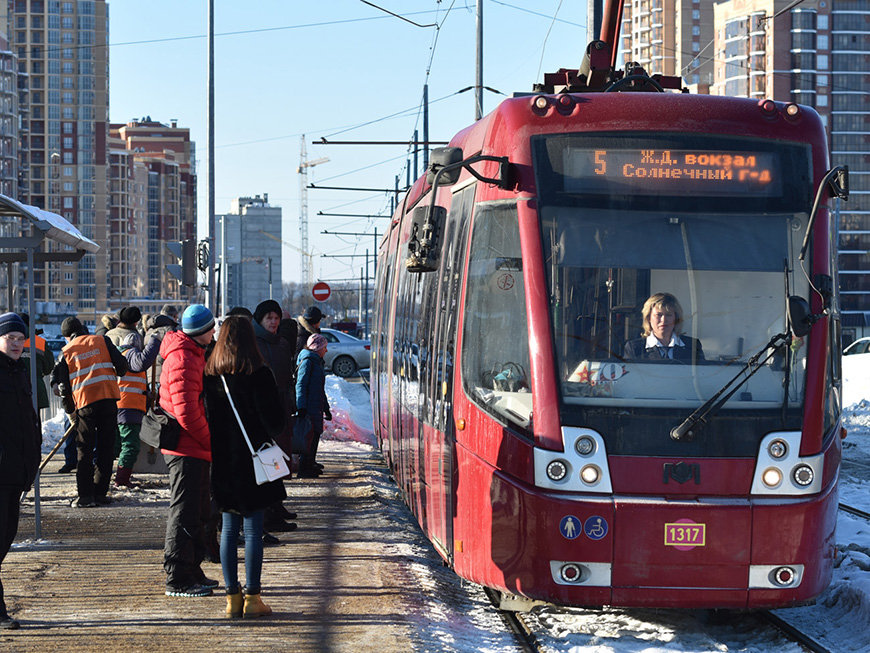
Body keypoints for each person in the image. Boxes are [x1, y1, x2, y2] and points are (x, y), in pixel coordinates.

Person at [203, 316, 286, 618]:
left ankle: (231, 599)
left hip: (224, 461)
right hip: (255, 461)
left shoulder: (210, 374)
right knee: (252, 531)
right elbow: (275, 423)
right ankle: (253, 598)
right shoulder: (258, 372)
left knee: (228, 530)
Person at [159, 304, 218, 598]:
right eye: (211, 328)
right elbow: (187, 413)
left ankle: (192, 570)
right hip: (186, 447)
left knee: (195, 512)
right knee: (184, 512)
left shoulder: (192, 352)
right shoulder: (184, 357)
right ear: (202, 331)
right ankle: (178, 577)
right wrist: (210, 440)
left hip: (192, 447)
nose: (214, 332)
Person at [50, 316, 128, 507]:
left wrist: (71, 412)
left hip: (85, 404)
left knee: (84, 449)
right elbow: (123, 367)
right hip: (109, 399)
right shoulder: (102, 340)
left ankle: (85, 496)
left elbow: (62, 387)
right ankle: (100, 494)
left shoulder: (66, 351)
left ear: (68, 336)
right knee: (106, 448)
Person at [0, 313, 41, 630]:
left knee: (6, 537)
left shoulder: (19, 372)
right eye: (10, 338)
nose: (16, 343)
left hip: (16, 471)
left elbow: (28, 421)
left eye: (19, 338)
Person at [252, 300, 297, 534]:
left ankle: (277, 506)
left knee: (279, 460)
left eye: (276, 318)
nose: (274, 321)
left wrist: (290, 398)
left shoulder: (281, 344)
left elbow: (288, 376)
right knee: (267, 460)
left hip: (280, 407)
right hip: (263, 409)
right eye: (269, 317)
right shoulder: (253, 344)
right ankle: (269, 513)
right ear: (259, 320)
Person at [107, 307, 160, 487]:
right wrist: (154, 342)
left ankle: (106, 476)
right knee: (130, 445)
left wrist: (146, 393)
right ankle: (121, 480)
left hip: (120, 403)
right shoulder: (129, 354)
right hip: (127, 406)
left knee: (114, 444)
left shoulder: (114, 345)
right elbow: (141, 364)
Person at [622, 292, 705, 362]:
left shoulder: (692, 346)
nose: (664, 320)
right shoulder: (634, 349)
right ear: (648, 318)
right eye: (659, 315)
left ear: (676, 318)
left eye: (668, 315)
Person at [295, 333, 332, 478]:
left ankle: (311, 463)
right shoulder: (308, 361)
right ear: (317, 348)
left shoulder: (316, 361)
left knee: (315, 434)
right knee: (308, 436)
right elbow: (301, 385)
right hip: (309, 406)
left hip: (315, 405)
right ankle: (304, 468)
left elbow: (319, 388)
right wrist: (301, 407)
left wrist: (326, 408)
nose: (326, 351)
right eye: (325, 347)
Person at [19, 313, 55, 425]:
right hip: (35, 389)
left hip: (12, 390)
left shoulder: (6, 341)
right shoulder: (39, 342)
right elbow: (49, 367)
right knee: (35, 423)